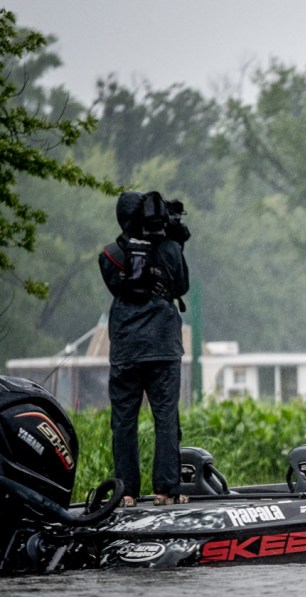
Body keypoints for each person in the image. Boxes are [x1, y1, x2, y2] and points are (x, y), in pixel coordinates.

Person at [98, 190, 190, 506]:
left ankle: (126, 492)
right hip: (163, 346)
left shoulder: (109, 254)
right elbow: (182, 286)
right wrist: (175, 244)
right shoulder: (170, 249)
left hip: (126, 347)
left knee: (124, 421)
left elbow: (117, 288)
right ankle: (166, 490)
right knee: (166, 417)